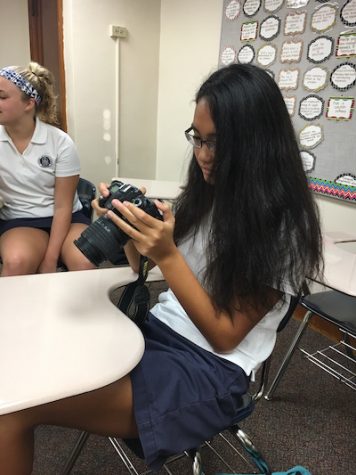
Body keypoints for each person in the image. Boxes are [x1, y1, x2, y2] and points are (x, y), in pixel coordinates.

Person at [0, 64, 323, 473]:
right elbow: (145, 267)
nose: (203, 156)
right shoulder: (208, 195)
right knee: (34, 361)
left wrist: (167, 255)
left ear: (256, 143)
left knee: (12, 410)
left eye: (217, 143)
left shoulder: (284, 227)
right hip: (157, 330)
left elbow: (224, 337)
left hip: (210, 368)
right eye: (198, 139)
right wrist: (132, 234)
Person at [0, 62, 95, 275]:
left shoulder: (60, 142)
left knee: (85, 262)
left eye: (2, 97)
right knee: (16, 262)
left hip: (66, 217)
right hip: (20, 219)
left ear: (29, 104)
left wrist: (50, 260)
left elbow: (62, 207)